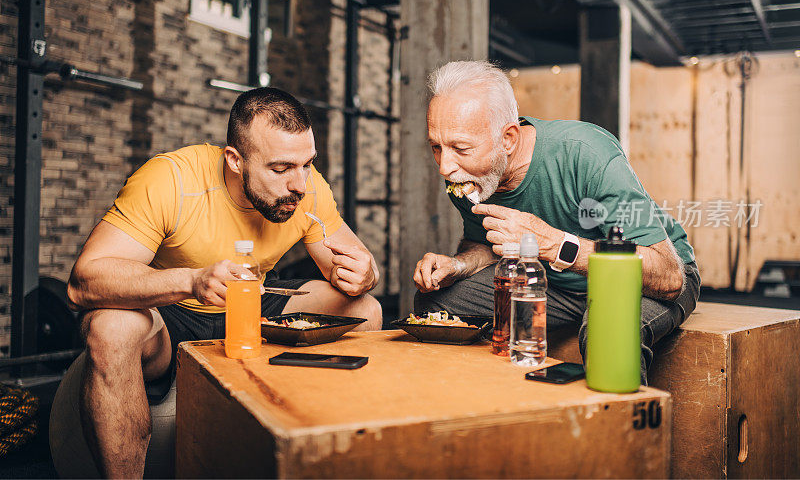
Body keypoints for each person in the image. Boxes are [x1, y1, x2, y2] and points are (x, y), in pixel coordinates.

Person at [66, 87, 382, 478]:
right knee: (110, 326)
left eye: (307, 164)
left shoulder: (305, 186)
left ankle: (325, 461)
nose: (299, 184)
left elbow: (357, 265)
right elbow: (84, 282)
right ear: (234, 160)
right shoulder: (172, 179)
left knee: (364, 309)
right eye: (281, 169)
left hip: (250, 303)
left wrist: (367, 275)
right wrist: (191, 280)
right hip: (170, 313)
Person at [413, 60, 700, 382]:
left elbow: (668, 275)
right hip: (553, 285)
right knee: (435, 305)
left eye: (460, 147)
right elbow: (486, 243)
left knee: (608, 334)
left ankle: (627, 430)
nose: (445, 166)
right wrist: (458, 266)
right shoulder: (468, 177)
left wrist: (554, 245)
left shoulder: (584, 151)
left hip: (646, 280)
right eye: (436, 147)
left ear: (508, 138)